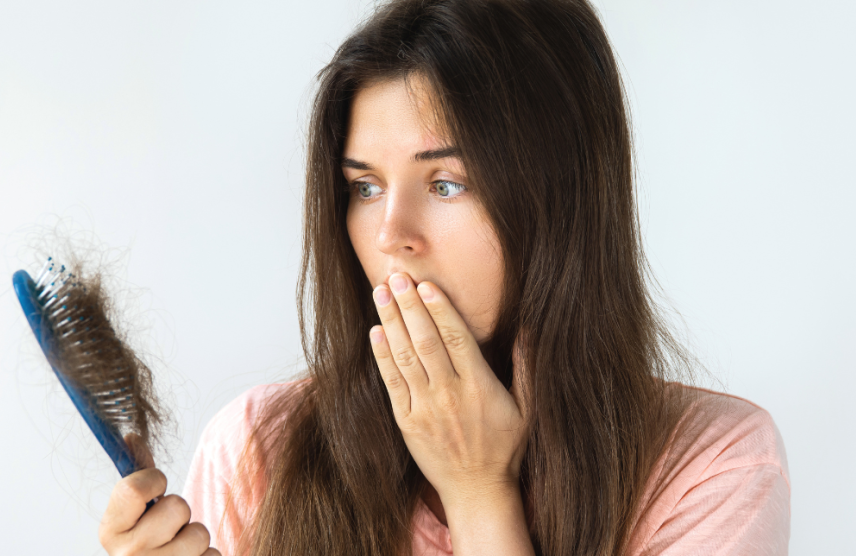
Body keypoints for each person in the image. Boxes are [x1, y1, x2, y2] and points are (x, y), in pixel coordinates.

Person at [98, 0, 791, 554]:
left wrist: (478, 494)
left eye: (448, 183)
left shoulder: (715, 466)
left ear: (562, 200)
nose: (390, 233)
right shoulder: (256, 449)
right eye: (365, 187)